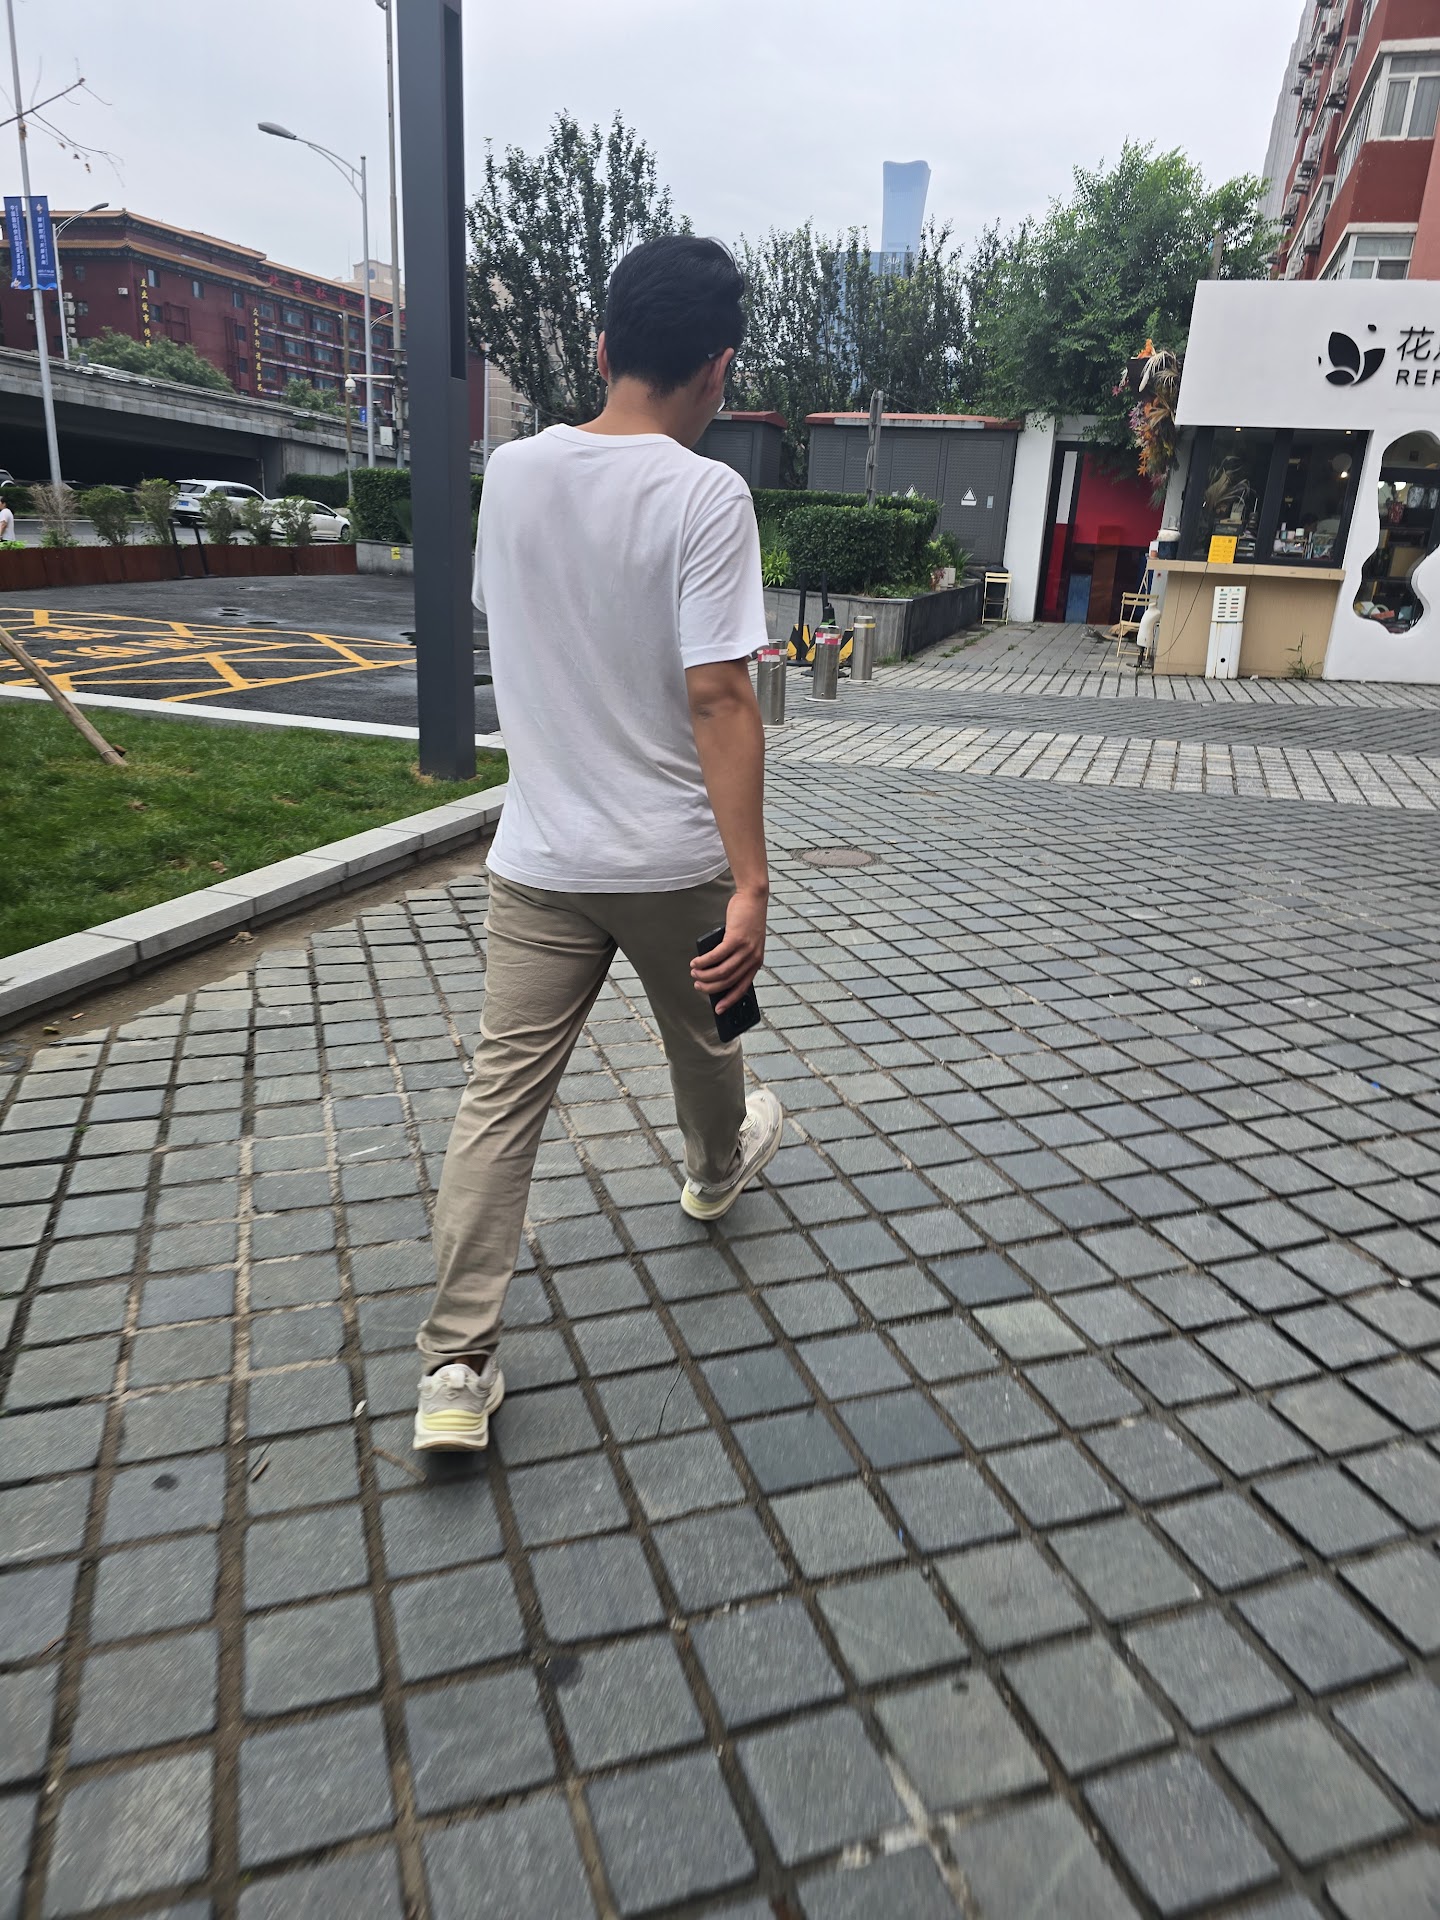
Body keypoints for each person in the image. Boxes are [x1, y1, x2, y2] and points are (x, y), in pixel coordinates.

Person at [414, 234, 782, 1453]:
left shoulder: (514, 473)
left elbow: (520, 626)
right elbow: (719, 694)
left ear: (604, 345)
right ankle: (717, 1169)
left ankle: (455, 1367)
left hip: (539, 860)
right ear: (718, 366)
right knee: (710, 1034)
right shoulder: (706, 495)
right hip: (673, 860)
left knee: (501, 1098)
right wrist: (752, 881)